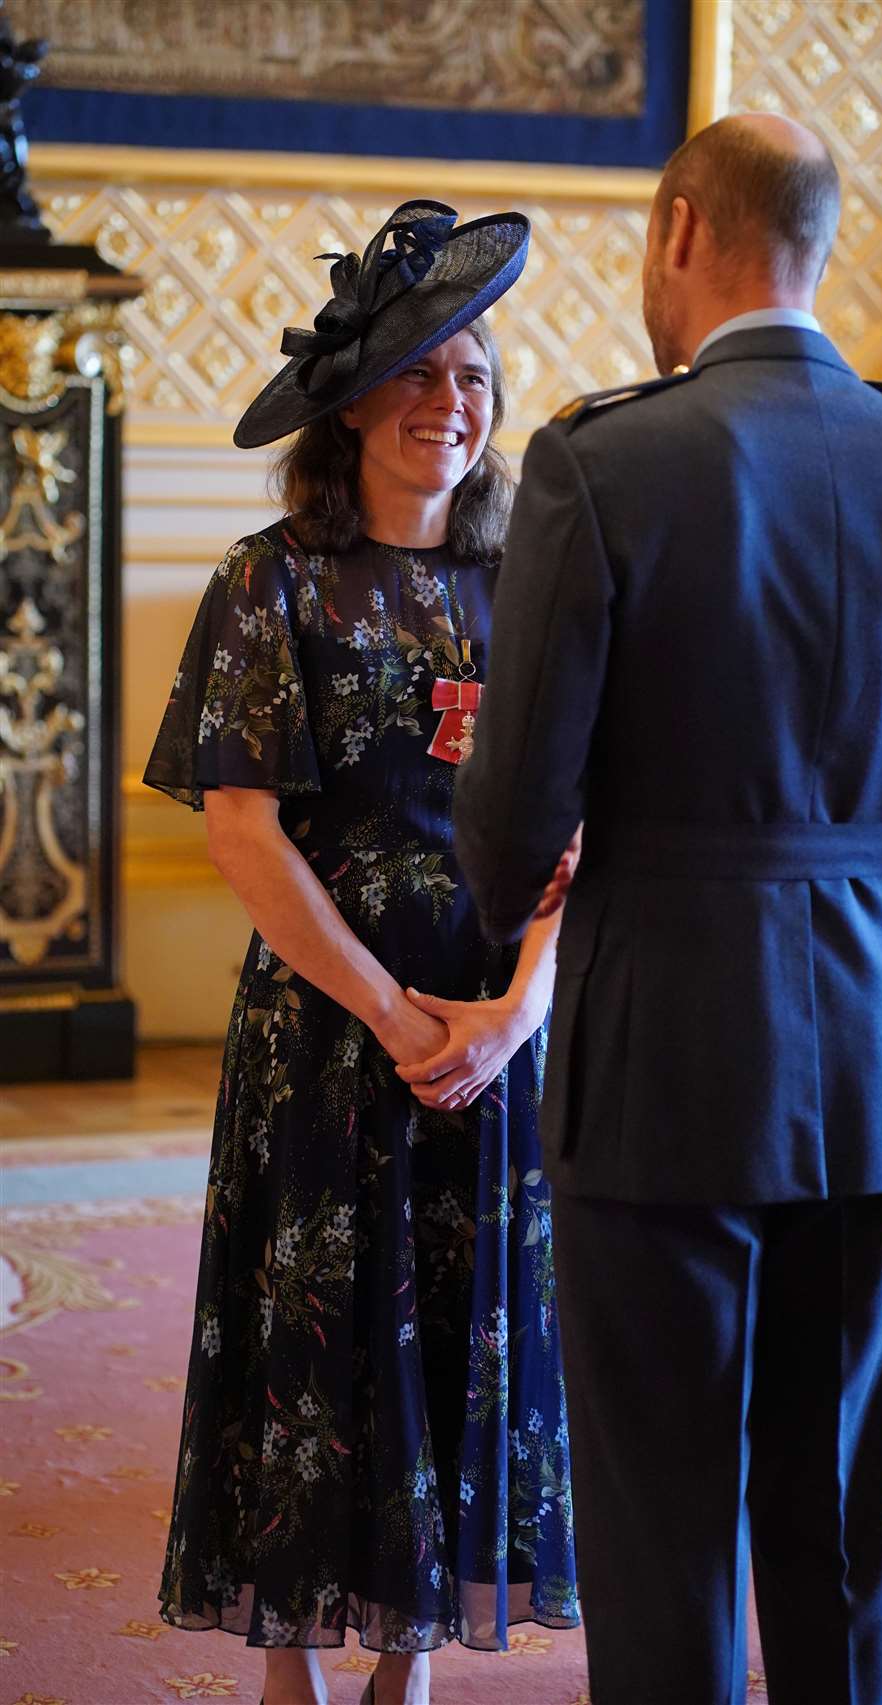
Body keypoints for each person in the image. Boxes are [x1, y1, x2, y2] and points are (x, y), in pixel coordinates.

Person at [452, 116, 882, 1705]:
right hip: (863, 1052)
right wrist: (842, 871)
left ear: (677, 230)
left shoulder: (597, 463)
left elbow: (514, 835)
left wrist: (573, 873)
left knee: (662, 1519)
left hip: (657, 1052)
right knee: (838, 1513)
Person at [143, 201, 579, 1705]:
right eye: (417, 376)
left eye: (472, 378)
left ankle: (413, 1666)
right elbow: (244, 837)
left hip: (485, 1033)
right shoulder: (269, 583)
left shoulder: (530, 587)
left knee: (458, 1340)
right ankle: (291, 1672)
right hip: (333, 1031)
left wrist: (513, 1016)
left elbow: (590, 827)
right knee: (312, 1346)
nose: (448, 405)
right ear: (348, 410)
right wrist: (397, 1012)